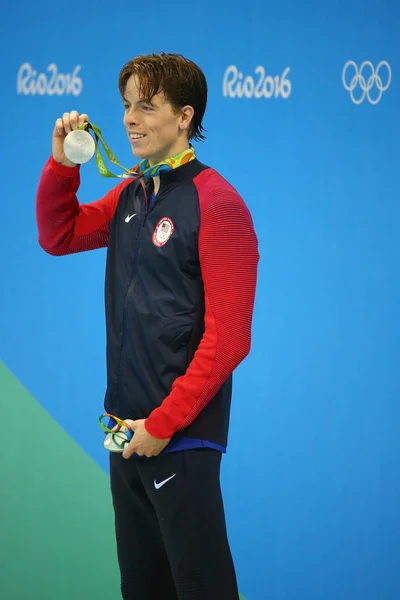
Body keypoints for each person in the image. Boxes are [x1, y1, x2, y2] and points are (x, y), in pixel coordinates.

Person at [36, 52, 259, 600]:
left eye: (146, 106)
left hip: (178, 438)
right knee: (143, 589)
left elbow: (230, 339)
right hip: (126, 435)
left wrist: (163, 424)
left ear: (184, 117)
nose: (130, 119)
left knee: (203, 590)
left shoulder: (218, 202)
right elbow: (58, 235)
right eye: (126, 106)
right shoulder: (133, 192)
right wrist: (63, 165)